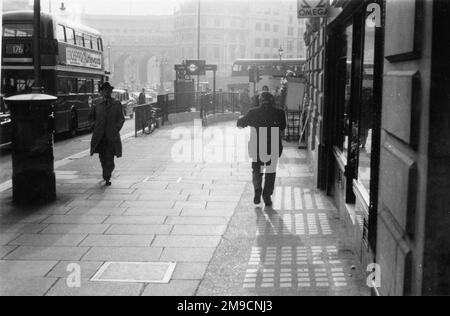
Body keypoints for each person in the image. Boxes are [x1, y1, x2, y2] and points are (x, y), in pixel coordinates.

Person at [237, 90, 287, 208]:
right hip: (273, 145)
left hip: (257, 145)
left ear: (259, 101)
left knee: (256, 170)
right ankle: (267, 195)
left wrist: (242, 119)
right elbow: (283, 126)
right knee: (271, 171)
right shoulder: (280, 112)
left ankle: (257, 188)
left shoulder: (253, 112)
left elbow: (240, 124)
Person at [89, 82, 125, 186]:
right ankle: (105, 173)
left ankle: (107, 176)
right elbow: (91, 118)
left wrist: (116, 129)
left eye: (108, 90)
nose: (106, 92)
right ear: (101, 92)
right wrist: (94, 127)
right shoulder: (96, 104)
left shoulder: (116, 104)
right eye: (104, 90)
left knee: (110, 158)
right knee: (102, 157)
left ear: (110, 91)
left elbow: (121, 119)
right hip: (100, 136)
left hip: (111, 136)